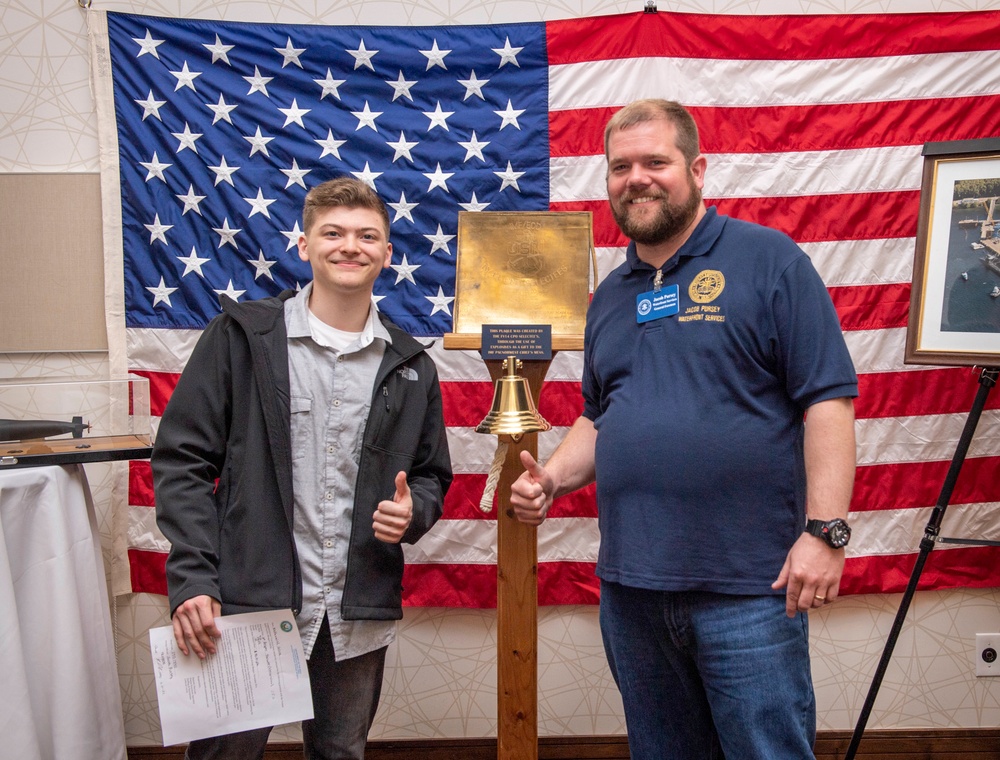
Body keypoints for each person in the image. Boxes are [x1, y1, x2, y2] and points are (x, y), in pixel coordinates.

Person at [510, 99, 858, 759]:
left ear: (696, 169)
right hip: (633, 592)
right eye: (621, 166)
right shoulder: (611, 295)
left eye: (655, 162)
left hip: (751, 588)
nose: (636, 178)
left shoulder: (770, 260)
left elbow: (829, 403)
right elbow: (599, 414)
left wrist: (825, 533)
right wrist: (553, 476)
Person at [152, 177, 452, 760]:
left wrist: (413, 510)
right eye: (332, 233)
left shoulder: (411, 363)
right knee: (223, 756)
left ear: (387, 254)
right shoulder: (242, 338)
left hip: (354, 610)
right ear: (304, 244)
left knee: (341, 752)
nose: (350, 246)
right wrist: (193, 578)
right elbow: (182, 461)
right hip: (246, 602)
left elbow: (430, 474)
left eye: (368, 236)